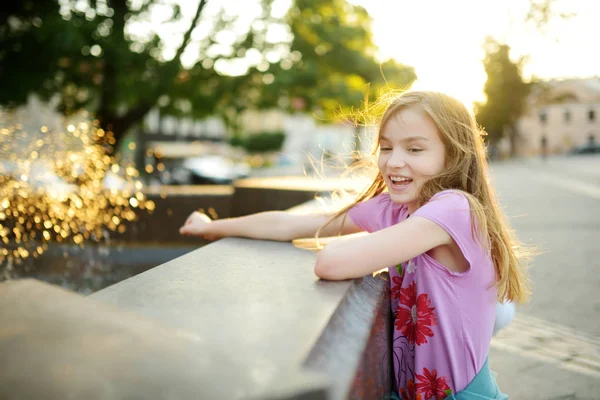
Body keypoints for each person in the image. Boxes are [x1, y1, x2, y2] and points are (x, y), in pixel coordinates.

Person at [180, 91, 532, 399]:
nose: (394, 161)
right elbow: (293, 224)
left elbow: (330, 263)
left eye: (415, 149)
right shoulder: (393, 210)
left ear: (454, 154)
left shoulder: (455, 208)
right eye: (387, 147)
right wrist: (213, 226)